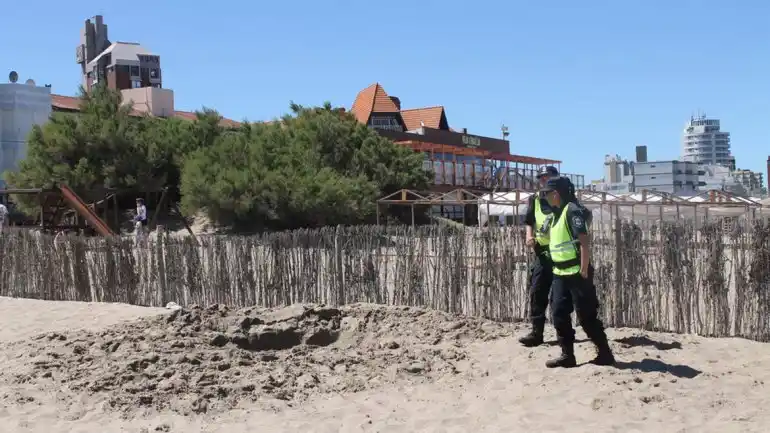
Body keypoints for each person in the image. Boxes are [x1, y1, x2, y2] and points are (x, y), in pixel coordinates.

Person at [541, 176, 615, 368]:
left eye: (547, 194)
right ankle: (568, 355)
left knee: (586, 316)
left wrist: (583, 269)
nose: (546, 198)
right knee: (558, 313)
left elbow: (583, 240)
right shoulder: (555, 214)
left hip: (577, 273)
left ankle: (605, 353)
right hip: (560, 273)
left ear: (556, 194)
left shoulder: (571, 210)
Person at [518, 165, 559, 347]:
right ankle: (537, 333)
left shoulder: (564, 197)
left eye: (547, 176)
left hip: (562, 255)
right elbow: (529, 221)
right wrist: (529, 235)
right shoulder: (534, 199)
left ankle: (564, 333)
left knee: (560, 298)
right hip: (542, 254)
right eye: (541, 177)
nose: (544, 180)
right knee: (537, 292)